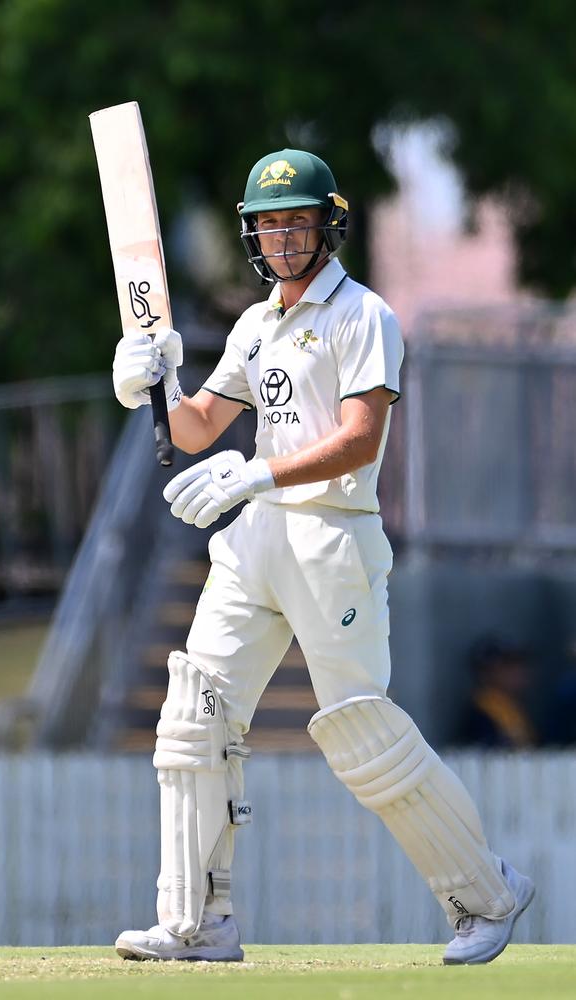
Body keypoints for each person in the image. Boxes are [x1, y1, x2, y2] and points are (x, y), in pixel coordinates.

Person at [110, 149, 534, 965]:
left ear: (327, 225)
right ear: (252, 235)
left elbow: (359, 438)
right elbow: (196, 425)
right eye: (268, 224)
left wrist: (258, 470)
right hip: (256, 537)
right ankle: (198, 923)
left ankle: (489, 894)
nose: (281, 236)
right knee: (194, 715)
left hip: (332, 536)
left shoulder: (363, 315)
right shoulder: (255, 322)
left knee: (360, 732)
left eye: (295, 220)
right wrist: (151, 382)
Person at [461, 637, 538, 749]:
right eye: (508, 667)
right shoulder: (482, 712)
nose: (518, 672)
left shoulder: (512, 706)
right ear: (485, 673)